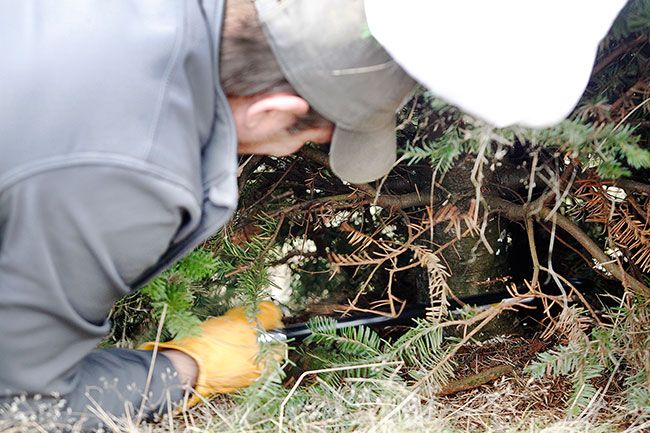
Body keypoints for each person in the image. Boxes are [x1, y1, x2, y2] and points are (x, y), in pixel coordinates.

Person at [0, 0, 415, 430]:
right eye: (317, 138)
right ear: (272, 111)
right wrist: (193, 366)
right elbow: (22, 406)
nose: (300, 150)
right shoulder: (135, 175)